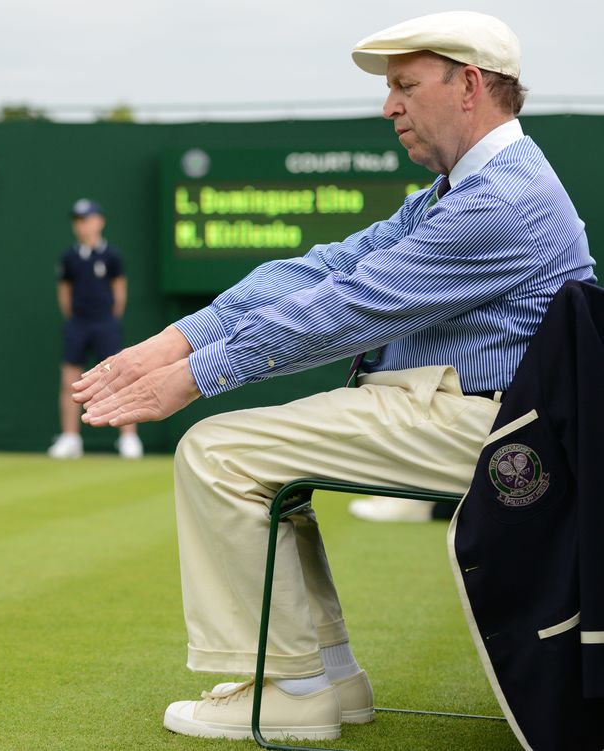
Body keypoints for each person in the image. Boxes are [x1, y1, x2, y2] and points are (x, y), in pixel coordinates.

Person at [72, 11, 596, 742]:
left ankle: (296, 687)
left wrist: (196, 375)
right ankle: (324, 677)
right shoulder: (461, 188)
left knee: (216, 450)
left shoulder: (499, 200)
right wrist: (171, 340)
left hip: (489, 423)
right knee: (238, 452)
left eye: (406, 86)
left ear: (469, 85)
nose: (389, 107)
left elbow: (346, 306)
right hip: (454, 405)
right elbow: (326, 266)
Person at [48, 199, 143, 460]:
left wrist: (109, 320)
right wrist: (76, 319)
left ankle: (128, 438)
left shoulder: (112, 256)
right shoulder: (68, 258)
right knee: (70, 381)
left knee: (118, 378)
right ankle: (70, 438)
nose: (82, 225)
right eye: (77, 221)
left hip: (105, 323)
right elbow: (64, 294)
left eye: (87, 219)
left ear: (99, 221)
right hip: (78, 324)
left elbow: (119, 292)